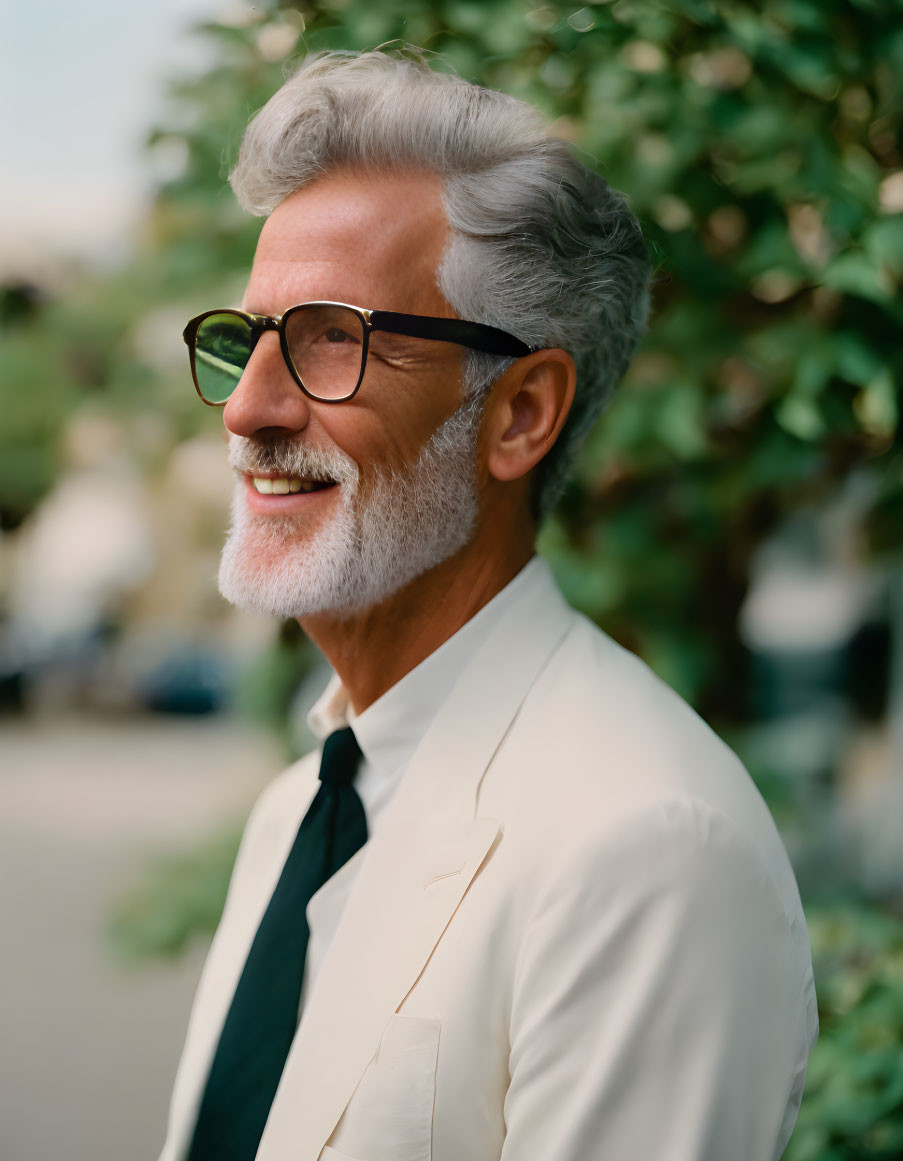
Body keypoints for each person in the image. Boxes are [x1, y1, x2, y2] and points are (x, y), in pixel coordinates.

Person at [160, 49, 817, 1161]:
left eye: (333, 340)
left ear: (520, 414)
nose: (248, 412)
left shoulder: (649, 847)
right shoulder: (300, 809)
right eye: (248, 340)